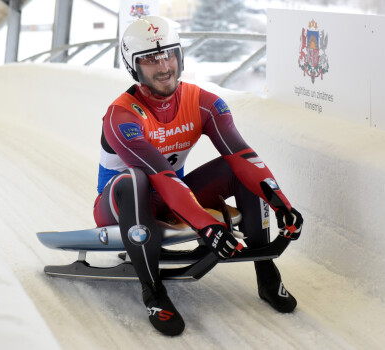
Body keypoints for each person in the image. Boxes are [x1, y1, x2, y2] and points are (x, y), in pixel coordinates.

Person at [93, 16, 303, 336]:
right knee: (133, 179)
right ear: (132, 67)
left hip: (173, 197)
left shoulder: (204, 104)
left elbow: (244, 157)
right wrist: (208, 227)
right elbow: (160, 176)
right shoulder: (121, 115)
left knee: (234, 166)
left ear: (180, 56)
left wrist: (280, 204)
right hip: (122, 205)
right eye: (150, 59)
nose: (164, 67)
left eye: (169, 55)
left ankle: (266, 269)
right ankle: (153, 290)